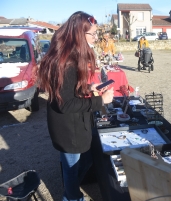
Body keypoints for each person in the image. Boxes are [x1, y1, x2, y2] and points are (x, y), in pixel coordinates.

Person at [37, 11, 114, 201]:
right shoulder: (67, 62)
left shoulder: (70, 57)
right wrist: (100, 101)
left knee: (86, 159)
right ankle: (72, 198)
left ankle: (71, 194)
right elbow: (66, 103)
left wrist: (87, 86)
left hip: (74, 125)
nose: (96, 38)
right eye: (93, 34)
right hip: (68, 128)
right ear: (80, 34)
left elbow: (67, 89)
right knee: (72, 170)